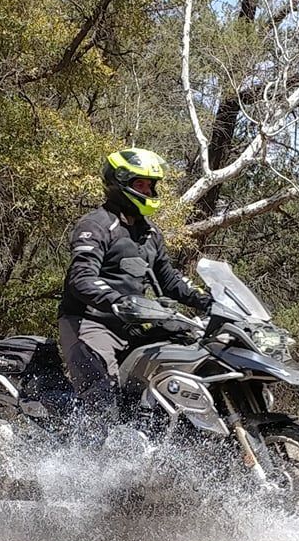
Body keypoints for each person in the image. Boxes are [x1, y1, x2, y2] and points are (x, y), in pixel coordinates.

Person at [57, 148, 213, 429]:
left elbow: (170, 281)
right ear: (120, 183)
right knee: (105, 396)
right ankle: (79, 461)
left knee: (172, 371)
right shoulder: (96, 225)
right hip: (90, 321)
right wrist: (116, 301)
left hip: (132, 324)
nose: (148, 190)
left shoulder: (150, 233)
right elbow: (81, 278)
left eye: (151, 185)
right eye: (141, 184)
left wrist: (210, 301)